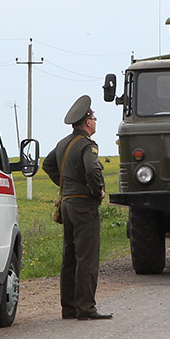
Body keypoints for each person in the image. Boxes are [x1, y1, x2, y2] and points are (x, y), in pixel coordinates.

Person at [42, 95, 112, 321]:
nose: (95, 121)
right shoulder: (87, 145)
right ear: (88, 121)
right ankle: (86, 308)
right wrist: (97, 190)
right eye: (93, 118)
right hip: (83, 205)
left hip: (67, 204)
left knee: (70, 257)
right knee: (87, 257)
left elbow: (48, 164)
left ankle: (69, 308)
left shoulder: (63, 143)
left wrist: (64, 185)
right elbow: (92, 170)